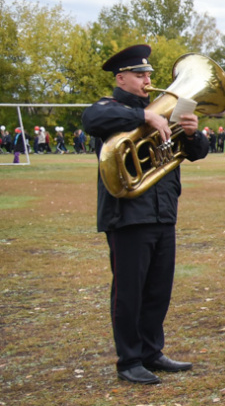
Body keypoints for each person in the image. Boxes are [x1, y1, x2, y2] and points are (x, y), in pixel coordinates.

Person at [81, 44, 209, 384]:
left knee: (158, 289)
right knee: (129, 291)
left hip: (163, 212)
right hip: (127, 216)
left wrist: (194, 133)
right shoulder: (110, 108)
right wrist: (143, 117)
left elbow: (197, 153)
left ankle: (152, 352)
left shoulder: (163, 109)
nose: (147, 80)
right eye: (140, 75)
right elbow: (90, 120)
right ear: (121, 78)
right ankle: (129, 360)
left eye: (149, 74)